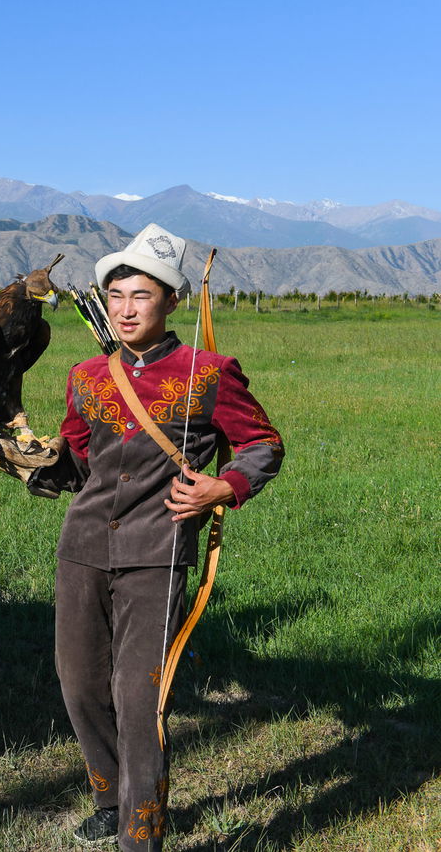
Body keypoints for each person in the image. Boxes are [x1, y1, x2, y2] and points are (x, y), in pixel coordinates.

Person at [27, 224, 284, 850]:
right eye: (115, 296)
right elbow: (79, 462)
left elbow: (263, 445)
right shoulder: (87, 376)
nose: (125, 308)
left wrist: (222, 488)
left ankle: (140, 834)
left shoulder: (208, 373)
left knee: (139, 695)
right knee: (79, 682)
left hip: (157, 550)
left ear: (171, 301)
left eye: (140, 295)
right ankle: (110, 796)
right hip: (83, 546)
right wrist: (26, 458)